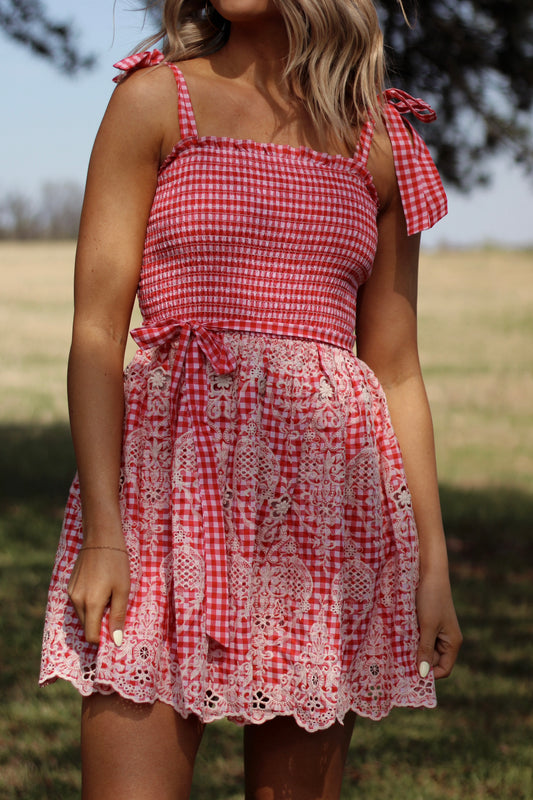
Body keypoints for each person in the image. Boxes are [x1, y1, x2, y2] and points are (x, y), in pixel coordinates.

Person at [40, 0, 462, 797]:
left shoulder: (380, 142)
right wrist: (104, 532)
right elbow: (96, 332)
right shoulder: (155, 101)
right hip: (167, 500)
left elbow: (397, 369)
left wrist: (430, 567)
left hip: (322, 512)